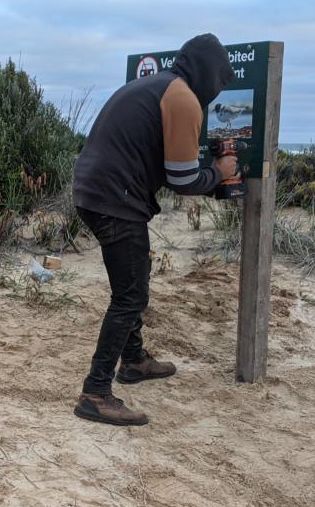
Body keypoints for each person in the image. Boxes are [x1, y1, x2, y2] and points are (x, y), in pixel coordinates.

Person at [71, 33, 237, 426]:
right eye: (220, 79)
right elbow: (182, 178)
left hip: (98, 191)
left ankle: (134, 361)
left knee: (135, 276)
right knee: (129, 295)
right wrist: (221, 174)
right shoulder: (182, 98)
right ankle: (96, 392)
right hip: (116, 199)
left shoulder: (155, 85)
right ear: (209, 74)